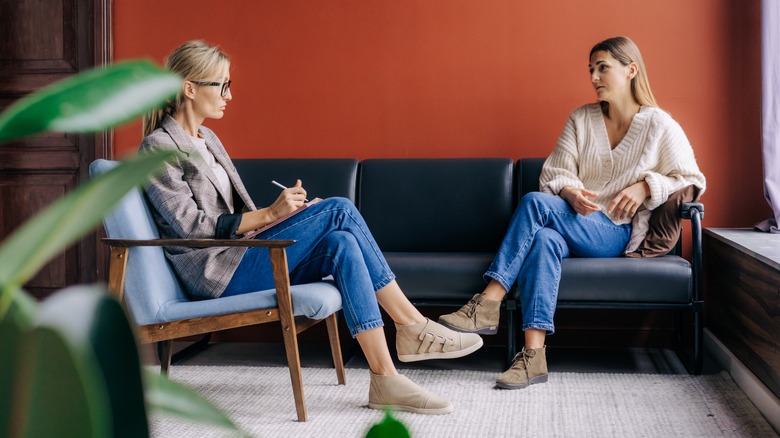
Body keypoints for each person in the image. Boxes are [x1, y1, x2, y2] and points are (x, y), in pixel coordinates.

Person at [139, 40, 483, 415]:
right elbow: (193, 228)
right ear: (190, 88)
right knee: (340, 210)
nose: (229, 95)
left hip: (244, 253)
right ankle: (411, 323)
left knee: (341, 244)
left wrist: (284, 216)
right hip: (215, 273)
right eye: (221, 85)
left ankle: (385, 379)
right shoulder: (158, 149)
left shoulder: (209, 140)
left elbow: (239, 217)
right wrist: (270, 215)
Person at [439, 36, 706, 389]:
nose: (594, 76)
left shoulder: (659, 125)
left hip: (614, 230)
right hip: (570, 221)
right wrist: (570, 192)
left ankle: (488, 301)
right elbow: (554, 172)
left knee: (535, 203)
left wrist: (645, 186)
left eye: (603, 68)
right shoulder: (581, 118)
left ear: (631, 70)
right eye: (591, 70)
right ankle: (533, 357)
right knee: (544, 240)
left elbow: (691, 177)